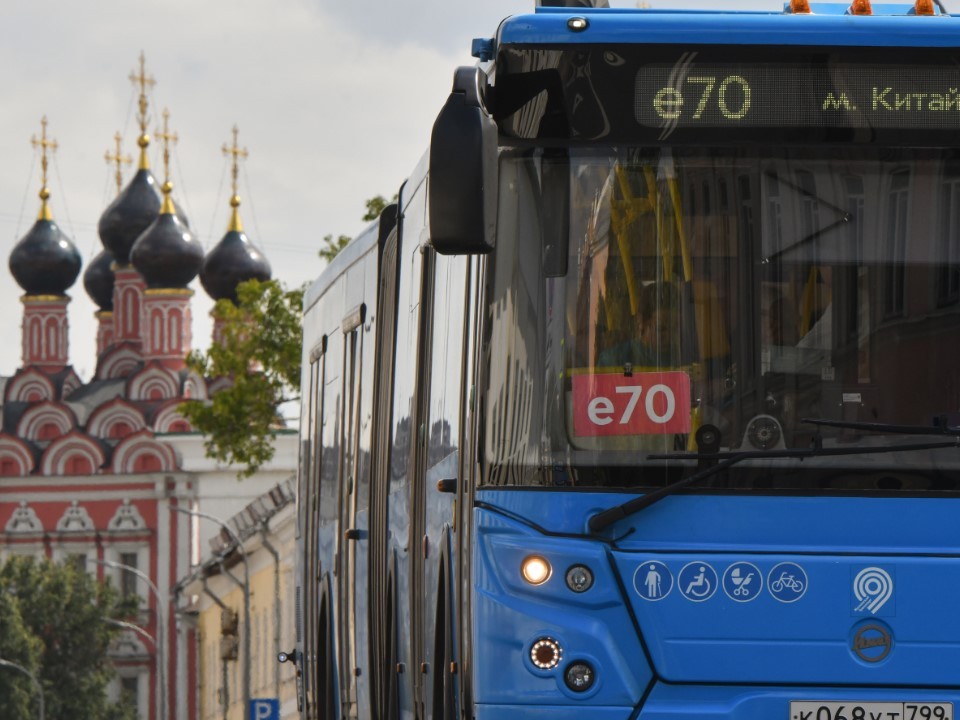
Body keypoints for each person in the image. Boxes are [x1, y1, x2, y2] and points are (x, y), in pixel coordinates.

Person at [598, 281, 680, 368]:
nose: (669, 336)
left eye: (675, 328)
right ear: (641, 322)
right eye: (661, 329)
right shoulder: (616, 360)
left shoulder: (684, 358)